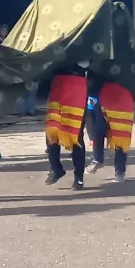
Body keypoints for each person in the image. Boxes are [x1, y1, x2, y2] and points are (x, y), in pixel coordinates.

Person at [45, 61, 90, 191]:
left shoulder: (83, 43)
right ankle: (56, 169)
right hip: (58, 87)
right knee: (52, 131)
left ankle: (78, 178)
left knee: (75, 136)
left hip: (76, 89)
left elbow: (86, 63)